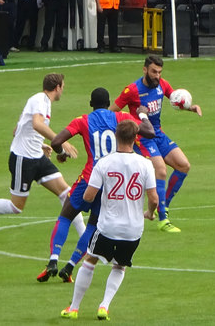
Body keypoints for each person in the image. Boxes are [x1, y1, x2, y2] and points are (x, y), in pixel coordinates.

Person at [37, 87, 154, 284]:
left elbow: (56, 141)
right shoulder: (120, 118)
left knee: (66, 216)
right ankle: (71, 266)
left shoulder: (83, 120)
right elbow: (149, 132)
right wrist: (142, 115)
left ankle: (53, 260)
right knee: (93, 224)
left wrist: (61, 153)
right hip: (109, 184)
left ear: (91, 104)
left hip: (89, 178)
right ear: (109, 104)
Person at [60, 120, 158, 321]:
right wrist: (149, 212)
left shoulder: (104, 163)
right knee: (120, 266)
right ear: (135, 138)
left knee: (90, 260)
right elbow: (154, 198)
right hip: (133, 229)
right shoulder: (146, 164)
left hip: (107, 226)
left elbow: (88, 196)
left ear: (116, 137)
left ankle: (74, 308)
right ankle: (104, 306)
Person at [0, 73, 81, 234]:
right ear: (57, 87)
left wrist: (40, 145)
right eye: (63, 87)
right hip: (23, 159)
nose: (63, 91)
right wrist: (60, 140)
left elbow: (17, 130)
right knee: (16, 207)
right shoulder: (40, 101)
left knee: (67, 194)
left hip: (37, 156)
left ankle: (86, 243)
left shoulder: (41, 101)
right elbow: (36, 124)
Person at [110, 55, 202, 233]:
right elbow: (112, 112)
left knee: (184, 165)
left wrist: (191, 108)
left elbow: (175, 99)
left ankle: (164, 206)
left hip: (158, 133)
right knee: (160, 169)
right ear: (144, 70)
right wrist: (126, 130)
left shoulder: (163, 85)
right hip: (141, 137)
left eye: (159, 72)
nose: (157, 76)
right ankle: (162, 219)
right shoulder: (132, 90)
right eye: (153, 72)